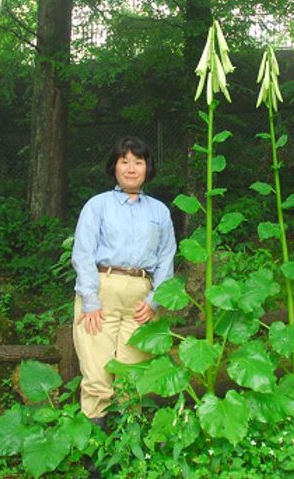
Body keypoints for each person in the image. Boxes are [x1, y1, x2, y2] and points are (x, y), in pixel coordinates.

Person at [71, 136, 176, 429]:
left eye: (138, 161)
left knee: (133, 374)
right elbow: (83, 252)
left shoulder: (159, 212)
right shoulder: (98, 206)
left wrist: (155, 301)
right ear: (114, 167)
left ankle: (127, 449)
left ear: (147, 168)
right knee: (97, 375)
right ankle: (95, 458)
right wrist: (89, 300)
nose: (131, 168)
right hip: (101, 296)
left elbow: (167, 258)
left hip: (140, 301)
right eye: (124, 161)